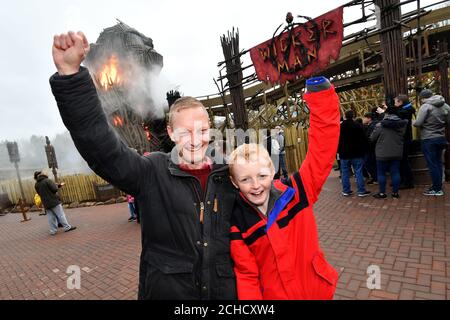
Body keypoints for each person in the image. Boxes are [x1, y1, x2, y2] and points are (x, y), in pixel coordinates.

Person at [50, 31, 238, 299]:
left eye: (202, 130)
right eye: (185, 132)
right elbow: (101, 146)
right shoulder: (152, 173)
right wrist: (70, 76)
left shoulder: (228, 175)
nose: (195, 140)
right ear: (171, 133)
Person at [228, 77, 339, 299]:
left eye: (261, 175)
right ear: (234, 183)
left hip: (315, 290)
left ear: (272, 170)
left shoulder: (296, 191)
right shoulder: (238, 221)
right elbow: (247, 275)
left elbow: (321, 152)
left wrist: (321, 98)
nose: (256, 185)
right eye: (246, 179)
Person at [413, 89, 450, 196]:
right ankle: (438, 186)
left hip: (428, 139)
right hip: (441, 137)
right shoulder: (445, 105)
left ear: (422, 98)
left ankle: (437, 189)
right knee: (438, 163)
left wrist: (414, 122)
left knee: (432, 164)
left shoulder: (425, 106)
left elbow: (418, 123)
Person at [370, 107, 408, 199]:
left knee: (381, 173)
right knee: (395, 172)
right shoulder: (402, 125)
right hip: (396, 152)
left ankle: (382, 193)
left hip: (382, 152)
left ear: (386, 114)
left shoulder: (380, 125)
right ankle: (395, 193)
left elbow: (372, 138)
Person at [338, 110, 371, 197]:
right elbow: (364, 139)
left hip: (344, 154)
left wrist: (338, 151)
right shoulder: (358, 126)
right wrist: (365, 149)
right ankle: (361, 191)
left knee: (345, 173)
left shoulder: (340, 127)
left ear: (345, 116)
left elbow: (336, 141)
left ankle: (346, 190)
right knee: (358, 172)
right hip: (357, 153)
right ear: (353, 116)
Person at [34, 170, 76, 235]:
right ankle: (67, 227)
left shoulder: (36, 184)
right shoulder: (47, 180)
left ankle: (53, 231)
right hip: (54, 201)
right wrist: (58, 185)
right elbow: (54, 189)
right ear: (44, 174)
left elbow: (39, 193)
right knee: (61, 215)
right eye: (47, 173)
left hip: (46, 203)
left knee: (51, 217)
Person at [394, 94, 415, 189]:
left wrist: (384, 112)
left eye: (395, 102)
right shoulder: (405, 109)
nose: (394, 104)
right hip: (403, 138)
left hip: (405, 138)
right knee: (401, 161)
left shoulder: (406, 111)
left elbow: (398, 116)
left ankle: (408, 182)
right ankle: (402, 180)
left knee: (404, 161)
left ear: (400, 102)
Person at [362, 112, 378, 184]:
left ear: (369, 118)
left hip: (371, 148)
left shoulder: (372, 126)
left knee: (368, 163)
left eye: (364, 117)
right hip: (372, 148)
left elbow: (370, 138)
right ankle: (375, 177)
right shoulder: (372, 125)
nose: (363, 119)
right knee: (371, 163)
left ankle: (375, 178)